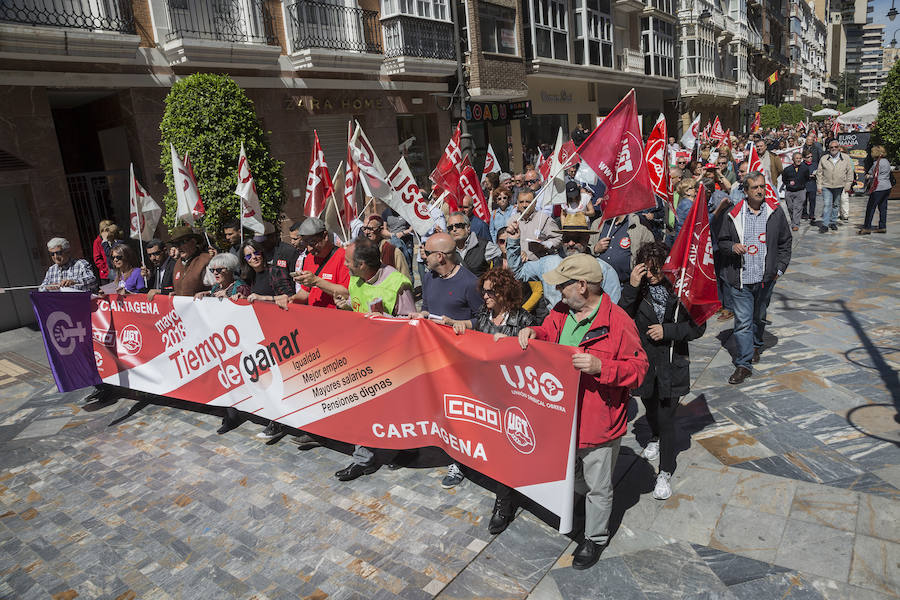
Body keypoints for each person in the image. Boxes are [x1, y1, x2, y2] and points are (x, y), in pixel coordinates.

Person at [518, 254, 648, 570]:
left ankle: (595, 538)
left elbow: (640, 369)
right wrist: (534, 333)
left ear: (582, 286)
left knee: (599, 486)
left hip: (597, 420)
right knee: (570, 473)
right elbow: (549, 335)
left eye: (563, 285)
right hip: (561, 415)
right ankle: (580, 503)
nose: (557, 291)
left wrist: (602, 366)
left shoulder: (619, 322)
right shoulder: (562, 311)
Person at [444, 268, 538, 534]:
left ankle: (504, 504)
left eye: (490, 291)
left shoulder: (523, 319)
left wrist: (508, 344)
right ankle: (462, 465)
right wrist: (459, 325)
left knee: (505, 451)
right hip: (483, 392)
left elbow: (531, 358)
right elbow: (475, 325)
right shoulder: (485, 315)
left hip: (511, 399)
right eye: (483, 291)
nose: (484, 296)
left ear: (504, 292)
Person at [618, 242, 705, 500]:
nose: (653, 275)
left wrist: (668, 331)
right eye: (648, 270)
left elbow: (698, 327)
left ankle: (665, 471)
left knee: (668, 418)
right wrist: (632, 287)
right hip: (644, 363)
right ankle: (654, 435)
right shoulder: (638, 289)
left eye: (658, 269)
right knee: (650, 407)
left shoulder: (681, 290)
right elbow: (621, 318)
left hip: (671, 363)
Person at [333, 239, 416, 481]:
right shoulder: (356, 279)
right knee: (363, 408)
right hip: (363, 355)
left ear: (361, 264)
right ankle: (363, 459)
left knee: (396, 409)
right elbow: (358, 305)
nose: (345, 266)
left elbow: (411, 323)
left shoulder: (397, 284)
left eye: (348, 262)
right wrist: (346, 305)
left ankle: (407, 448)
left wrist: (383, 321)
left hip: (392, 358)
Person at [717, 171, 792, 384]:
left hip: (766, 279)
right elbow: (721, 242)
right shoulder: (733, 214)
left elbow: (785, 243)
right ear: (746, 191)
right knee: (742, 323)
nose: (760, 190)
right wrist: (732, 247)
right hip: (740, 279)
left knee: (759, 316)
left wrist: (778, 270)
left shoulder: (775, 212)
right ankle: (743, 364)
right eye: (755, 187)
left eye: (762, 187)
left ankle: (756, 345)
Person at [506, 213, 621, 309]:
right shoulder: (547, 263)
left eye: (576, 239)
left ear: (587, 239)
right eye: (567, 239)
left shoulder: (603, 269)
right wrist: (513, 241)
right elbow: (517, 273)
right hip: (555, 328)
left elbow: (612, 308)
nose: (571, 243)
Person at [412, 232, 483, 324]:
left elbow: (482, 320)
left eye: (427, 252)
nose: (423, 256)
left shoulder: (470, 283)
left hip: (458, 337)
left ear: (439, 256)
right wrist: (421, 315)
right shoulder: (428, 277)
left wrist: (454, 323)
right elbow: (426, 308)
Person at [288, 217, 351, 308]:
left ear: (325, 236)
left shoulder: (343, 257)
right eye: (305, 244)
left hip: (335, 317)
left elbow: (346, 293)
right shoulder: (309, 258)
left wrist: (316, 281)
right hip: (314, 316)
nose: (309, 249)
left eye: (313, 243)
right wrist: (291, 299)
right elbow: (306, 292)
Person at [591, 211, 655, 284]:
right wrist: (595, 249)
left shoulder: (638, 224)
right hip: (598, 283)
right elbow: (586, 249)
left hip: (626, 283)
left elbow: (651, 250)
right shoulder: (597, 223)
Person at [447, 211, 501, 278]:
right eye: (450, 228)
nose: (454, 229)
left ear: (468, 228)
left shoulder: (485, 246)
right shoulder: (447, 252)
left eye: (458, 226)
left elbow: (499, 270)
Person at [816, 140, 854, 234]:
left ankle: (833, 222)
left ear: (839, 147)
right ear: (829, 149)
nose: (833, 149)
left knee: (836, 204)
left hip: (839, 185)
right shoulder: (824, 158)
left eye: (835, 147)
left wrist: (848, 185)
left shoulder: (846, 158)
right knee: (827, 205)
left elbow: (850, 172)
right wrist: (819, 186)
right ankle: (825, 224)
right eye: (831, 147)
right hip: (826, 185)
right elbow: (819, 173)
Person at [515, 189, 561, 262]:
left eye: (528, 202)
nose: (524, 205)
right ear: (517, 203)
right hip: (517, 265)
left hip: (539, 264)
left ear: (535, 202)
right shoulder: (513, 220)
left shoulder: (544, 219)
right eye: (521, 202)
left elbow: (558, 239)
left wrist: (544, 245)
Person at [361, 215, 410, 279]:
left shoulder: (392, 252)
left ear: (380, 229)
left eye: (370, 229)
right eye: (364, 228)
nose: (366, 232)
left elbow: (405, 279)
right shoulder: (360, 251)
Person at [170, 226, 212, 297]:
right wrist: (176, 293)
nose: (179, 247)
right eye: (176, 244)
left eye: (182, 242)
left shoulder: (206, 260)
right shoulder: (177, 263)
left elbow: (218, 288)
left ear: (193, 242)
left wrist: (207, 293)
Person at [859, 145, 891, 235]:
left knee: (870, 208)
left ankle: (867, 227)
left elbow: (874, 175)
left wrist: (868, 176)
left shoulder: (877, 163)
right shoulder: (886, 161)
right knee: (883, 208)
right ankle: (882, 226)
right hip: (887, 187)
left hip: (878, 188)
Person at [781, 152, 811, 231]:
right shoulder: (787, 169)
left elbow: (807, 178)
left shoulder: (804, 168)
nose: (798, 160)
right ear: (793, 159)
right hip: (789, 191)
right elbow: (784, 179)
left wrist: (801, 184)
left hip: (800, 191)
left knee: (798, 208)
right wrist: (788, 184)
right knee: (790, 207)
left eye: (799, 158)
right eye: (796, 158)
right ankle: (793, 221)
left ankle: (795, 224)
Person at [92, 219, 114, 284]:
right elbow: (97, 259)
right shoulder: (97, 242)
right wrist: (105, 268)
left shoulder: (113, 239)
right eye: (107, 230)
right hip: (106, 274)